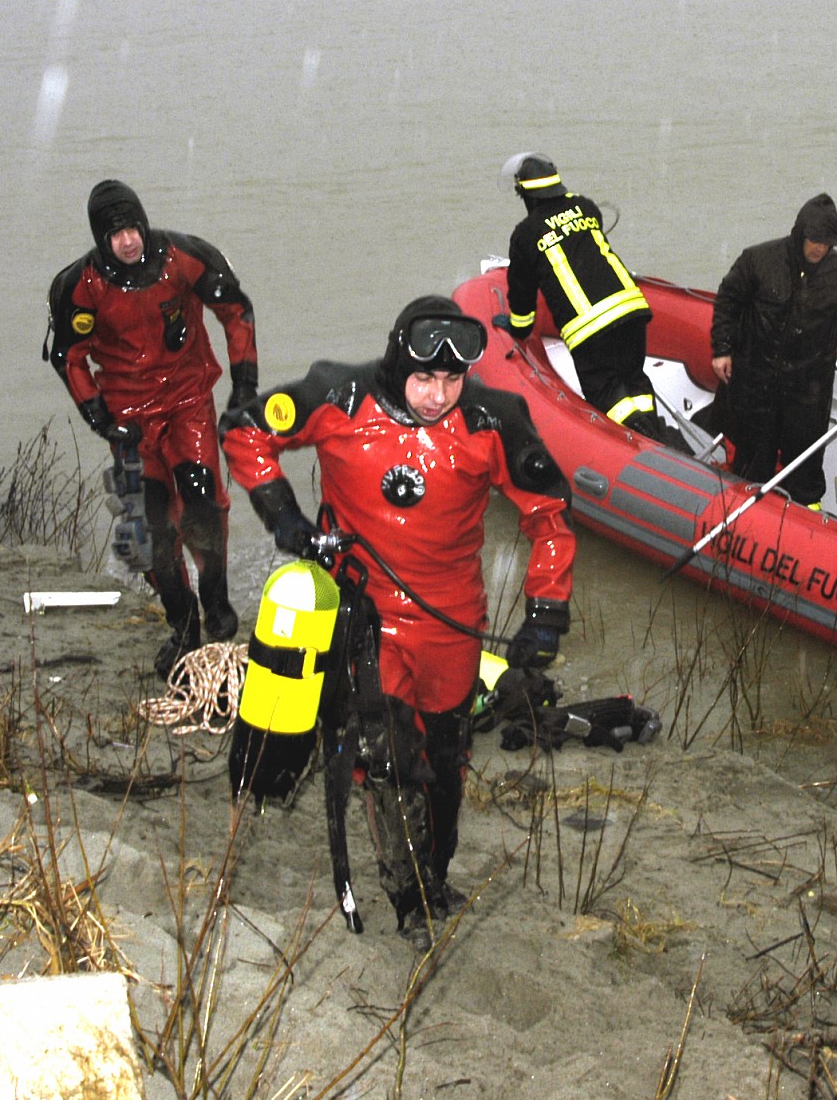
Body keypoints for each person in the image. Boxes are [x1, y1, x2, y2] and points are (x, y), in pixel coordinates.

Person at [223, 296, 575, 949]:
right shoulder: (338, 395)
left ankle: (436, 874)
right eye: (424, 379)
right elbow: (245, 429)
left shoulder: (494, 419)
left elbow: (549, 512)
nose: (438, 395)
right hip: (366, 620)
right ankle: (408, 897)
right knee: (385, 763)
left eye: (451, 380)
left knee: (446, 760)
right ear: (396, 362)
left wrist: (546, 611)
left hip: (453, 623)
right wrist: (288, 521)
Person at [47, 179, 256, 676]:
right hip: (128, 419)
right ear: (101, 238)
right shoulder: (79, 287)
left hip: (187, 402)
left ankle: (216, 600)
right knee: (152, 532)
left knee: (203, 500)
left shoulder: (185, 257)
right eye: (115, 233)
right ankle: (182, 625)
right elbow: (68, 356)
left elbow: (236, 310)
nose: (128, 240)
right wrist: (99, 418)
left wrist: (244, 387)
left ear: (144, 221)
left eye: (132, 227)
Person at [709, 193, 837, 506]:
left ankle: (808, 521)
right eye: (815, 240)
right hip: (757, 383)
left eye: (827, 243)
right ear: (800, 233)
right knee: (752, 461)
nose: (820, 248)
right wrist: (722, 348)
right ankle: (751, 518)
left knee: (806, 469)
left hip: (808, 390)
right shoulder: (758, 260)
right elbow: (727, 302)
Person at [499, 154, 663, 437]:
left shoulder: (525, 234)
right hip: (631, 311)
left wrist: (519, 327)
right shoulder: (586, 208)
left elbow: (522, 291)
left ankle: (638, 439)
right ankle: (656, 435)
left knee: (606, 390)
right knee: (635, 381)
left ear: (525, 195)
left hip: (590, 326)